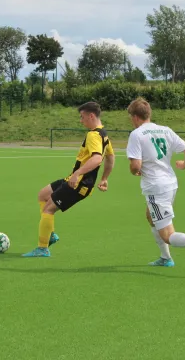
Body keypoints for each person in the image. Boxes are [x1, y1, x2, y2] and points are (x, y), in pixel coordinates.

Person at [125, 97, 185, 270]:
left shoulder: (137, 134)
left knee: (167, 234)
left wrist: (134, 171)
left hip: (156, 187)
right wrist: (184, 164)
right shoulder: (165, 130)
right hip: (171, 184)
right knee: (151, 216)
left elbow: (135, 166)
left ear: (134, 116)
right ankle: (165, 257)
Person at [23, 101, 115, 257]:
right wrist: (104, 178)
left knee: (48, 209)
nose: (81, 121)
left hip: (80, 183)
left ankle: (42, 248)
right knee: (43, 195)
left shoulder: (93, 135)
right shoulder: (103, 134)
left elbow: (97, 159)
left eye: (82, 117)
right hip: (75, 179)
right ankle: (50, 233)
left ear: (91, 116)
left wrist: (77, 173)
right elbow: (111, 157)